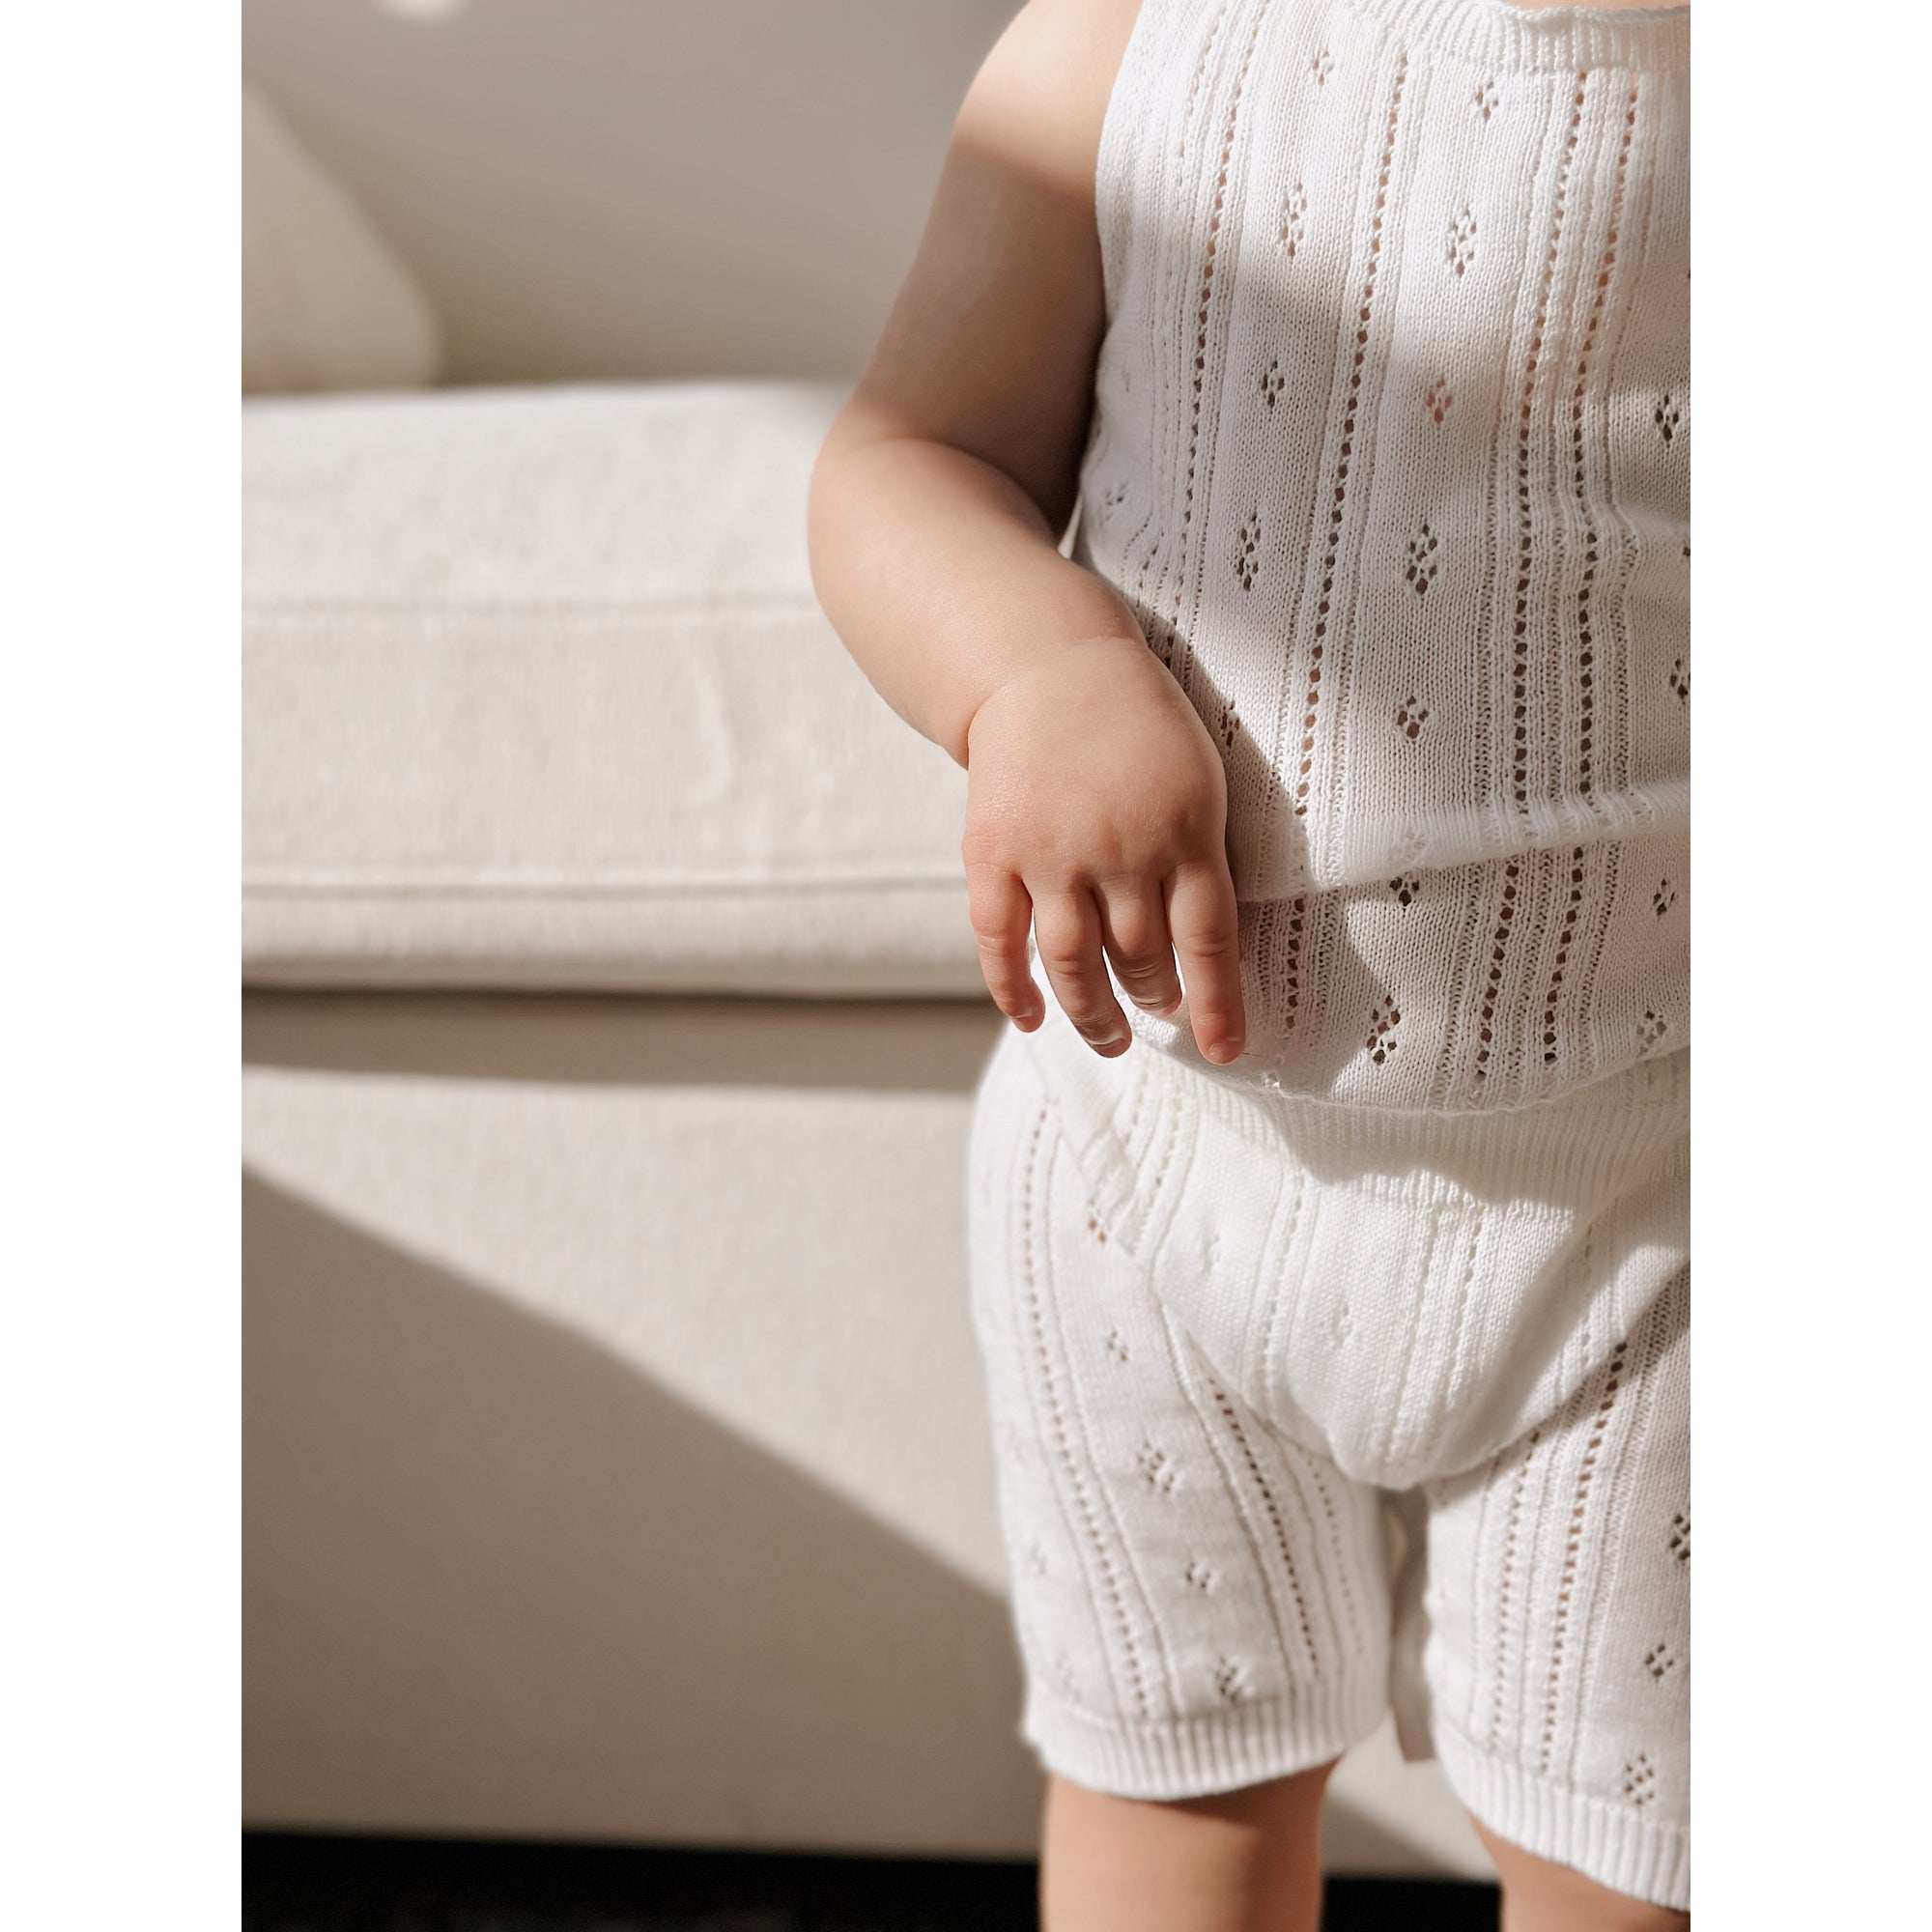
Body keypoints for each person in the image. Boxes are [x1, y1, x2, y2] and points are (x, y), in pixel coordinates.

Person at [807, 0, 1690, 1924]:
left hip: (1663, 1205)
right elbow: (911, 451)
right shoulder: (1117, 36)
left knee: (1633, 1869)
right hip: (1145, 1151)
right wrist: (1038, 673)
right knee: (1169, 1826)